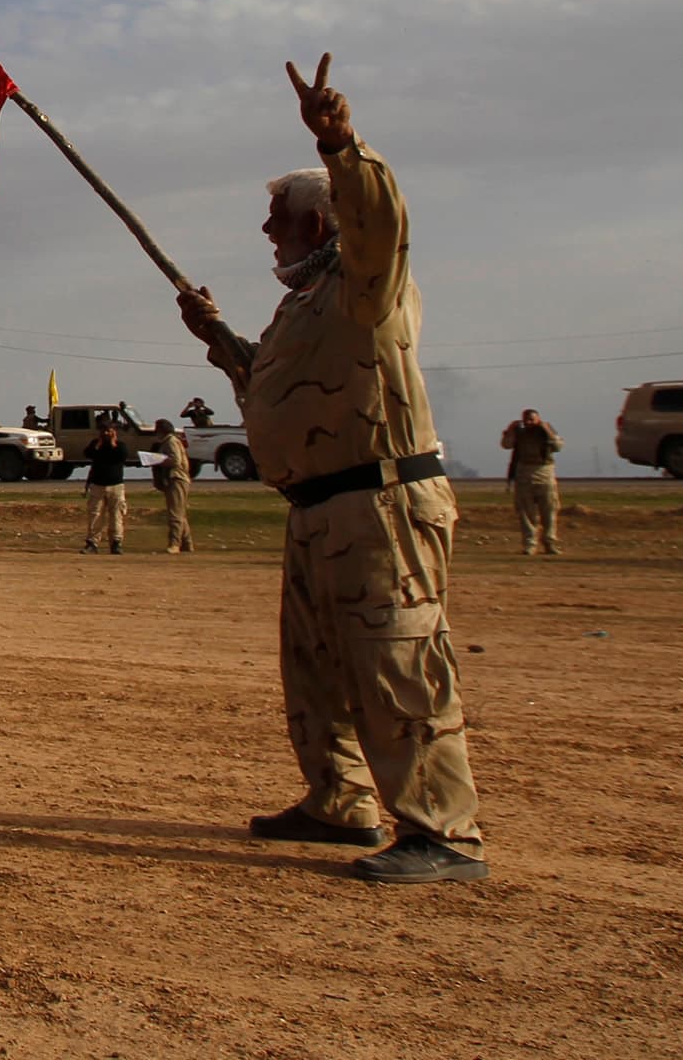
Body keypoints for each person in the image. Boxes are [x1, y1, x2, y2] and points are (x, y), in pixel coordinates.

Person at [176, 55, 486, 885]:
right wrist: (219, 339)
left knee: (397, 660)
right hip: (318, 510)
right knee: (316, 663)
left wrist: (342, 147)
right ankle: (339, 800)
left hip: (379, 506)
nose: (266, 231)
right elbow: (280, 392)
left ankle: (443, 832)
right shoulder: (301, 308)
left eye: (277, 217)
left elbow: (381, 222)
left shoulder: (367, 284)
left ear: (320, 222)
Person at [500, 409, 563, 557]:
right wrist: (510, 430)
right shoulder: (519, 432)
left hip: (544, 471)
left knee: (549, 510)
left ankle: (550, 542)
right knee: (526, 512)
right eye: (526, 420)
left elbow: (558, 446)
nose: (529, 423)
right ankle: (530, 543)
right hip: (524, 472)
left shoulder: (545, 430)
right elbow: (506, 445)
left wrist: (546, 429)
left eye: (532, 420)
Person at [79, 421, 130, 555]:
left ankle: (116, 543)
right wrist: (98, 445)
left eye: (109, 431)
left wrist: (113, 442)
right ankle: (92, 543)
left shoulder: (120, 446)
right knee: (95, 515)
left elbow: (122, 456)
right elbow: (87, 454)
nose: (106, 433)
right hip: (97, 485)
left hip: (116, 486)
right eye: (103, 431)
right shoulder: (96, 445)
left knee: (116, 516)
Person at [150, 418, 195, 553]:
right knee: (180, 512)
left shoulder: (171, 442)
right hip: (174, 479)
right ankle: (187, 544)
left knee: (175, 513)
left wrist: (156, 459)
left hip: (176, 478)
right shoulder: (168, 442)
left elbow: (175, 460)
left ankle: (175, 543)